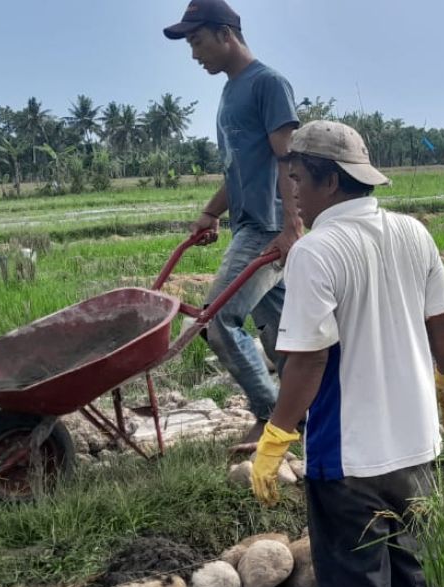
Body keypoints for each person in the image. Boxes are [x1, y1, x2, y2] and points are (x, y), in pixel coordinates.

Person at [249, 120, 444, 587]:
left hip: (349, 460)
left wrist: (275, 437)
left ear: (330, 180)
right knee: (416, 583)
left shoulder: (316, 251)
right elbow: (442, 325)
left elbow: (308, 360)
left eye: (298, 179)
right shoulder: (414, 232)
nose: (292, 193)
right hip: (417, 447)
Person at [163, 0, 301, 449]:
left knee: (218, 321)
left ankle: (271, 417)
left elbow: (287, 160)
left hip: (268, 227)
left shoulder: (268, 84)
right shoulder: (230, 91)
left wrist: (292, 227)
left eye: (197, 41)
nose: (194, 54)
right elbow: (239, 170)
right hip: (250, 225)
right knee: (281, 330)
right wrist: (211, 212)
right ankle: (308, 413)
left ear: (226, 34)